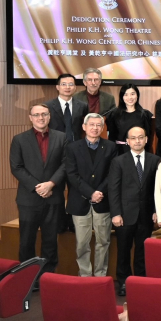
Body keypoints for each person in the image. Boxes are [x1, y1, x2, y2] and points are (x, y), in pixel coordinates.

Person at [11, 102, 66, 276]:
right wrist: (38, 187)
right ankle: (27, 277)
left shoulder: (62, 137)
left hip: (53, 197)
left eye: (44, 114)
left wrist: (51, 184)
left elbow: (66, 164)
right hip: (28, 199)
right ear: (30, 118)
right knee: (27, 241)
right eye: (36, 115)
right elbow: (16, 167)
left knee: (50, 241)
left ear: (49, 117)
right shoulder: (19, 139)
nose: (41, 118)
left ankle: (47, 277)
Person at [108, 125, 161, 296]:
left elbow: (158, 189)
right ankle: (124, 282)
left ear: (146, 139)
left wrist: (156, 210)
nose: (137, 141)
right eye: (133, 138)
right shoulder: (118, 161)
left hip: (146, 214)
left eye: (140, 137)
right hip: (124, 215)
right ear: (128, 141)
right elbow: (113, 189)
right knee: (123, 250)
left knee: (142, 251)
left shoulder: (155, 160)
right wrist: (116, 213)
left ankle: (140, 281)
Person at [65, 113, 116, 277]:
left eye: (98, 125)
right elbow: (72, 175)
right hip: (80, 202)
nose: (95, 128)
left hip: (103, 201)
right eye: (91, 124)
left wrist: (99, 192)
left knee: (103, 241)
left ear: (102, 128)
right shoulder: (72, 147)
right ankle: (85, 275)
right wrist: (91, 193)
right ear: (84, 127)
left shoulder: (111, 147)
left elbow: (112, 174)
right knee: (82, 243)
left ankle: (100, 274)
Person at [106, 84, 154, 156]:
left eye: (132, 94)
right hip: (119, 152)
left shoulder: (145, 114)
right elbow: (111, 137)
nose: (130, 97)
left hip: (139, 152)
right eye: (126, 95)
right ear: (122, 97)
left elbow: (148, 138)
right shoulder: (114, 114)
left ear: (137, 95)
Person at [48, 73, 88, 144]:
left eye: (71, 84)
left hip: (76, 145)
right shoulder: (48, 106)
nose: (67, 87)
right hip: (55, 145)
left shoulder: (83, 106)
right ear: (57, 87)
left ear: (75, 87)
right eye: (64, 84)